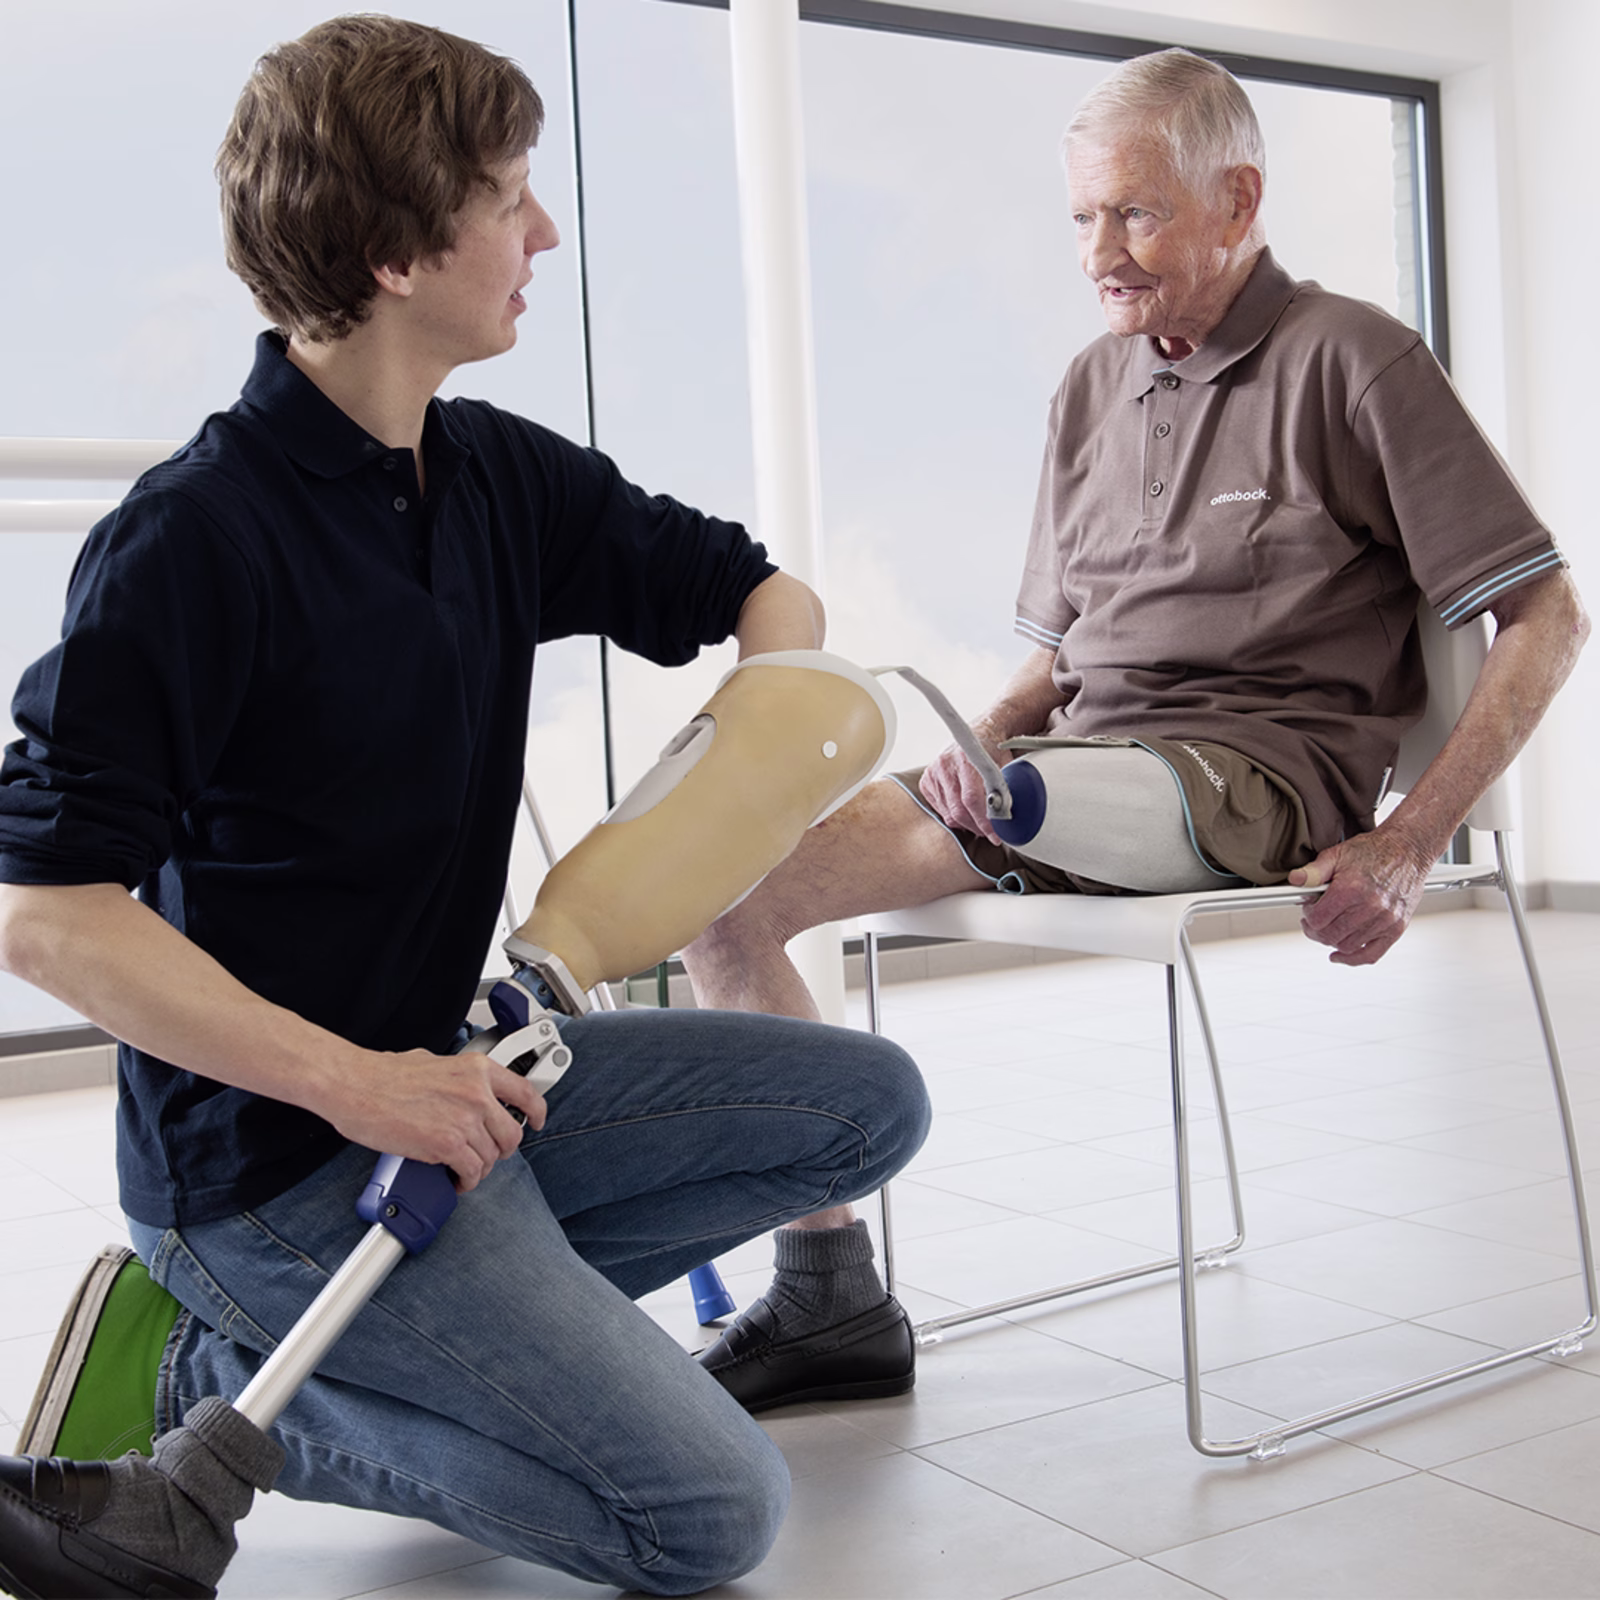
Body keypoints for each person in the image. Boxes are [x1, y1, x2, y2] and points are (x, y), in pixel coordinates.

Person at [0, 17, 929, 1600]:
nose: (543, 232)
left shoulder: (490, 477)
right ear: (388, 252)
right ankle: (206, 1382)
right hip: (273, 1168)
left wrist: (737, 781)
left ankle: (411, 1342)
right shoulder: (191, 545)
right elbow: (45, 917)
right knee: (707, 1518)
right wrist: (362, 1089)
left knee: (867, 1104)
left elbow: (762, 591)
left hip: (457, 1083)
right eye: (509, 194)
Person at [681, 48, 1587, 1258]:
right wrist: (984, 738)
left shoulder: (1354, 359)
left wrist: (1411, 842)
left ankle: (1010, 796)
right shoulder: (1086, 389)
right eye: (1082, 217)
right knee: (724, 910)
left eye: (1136, 214)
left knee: (1020, 792)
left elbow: (1547, 616)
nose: (1099, 253)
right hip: (1053, 780)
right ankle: (827, 1288)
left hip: (1254, 781)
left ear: (1239, 201)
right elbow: (1048, 671)